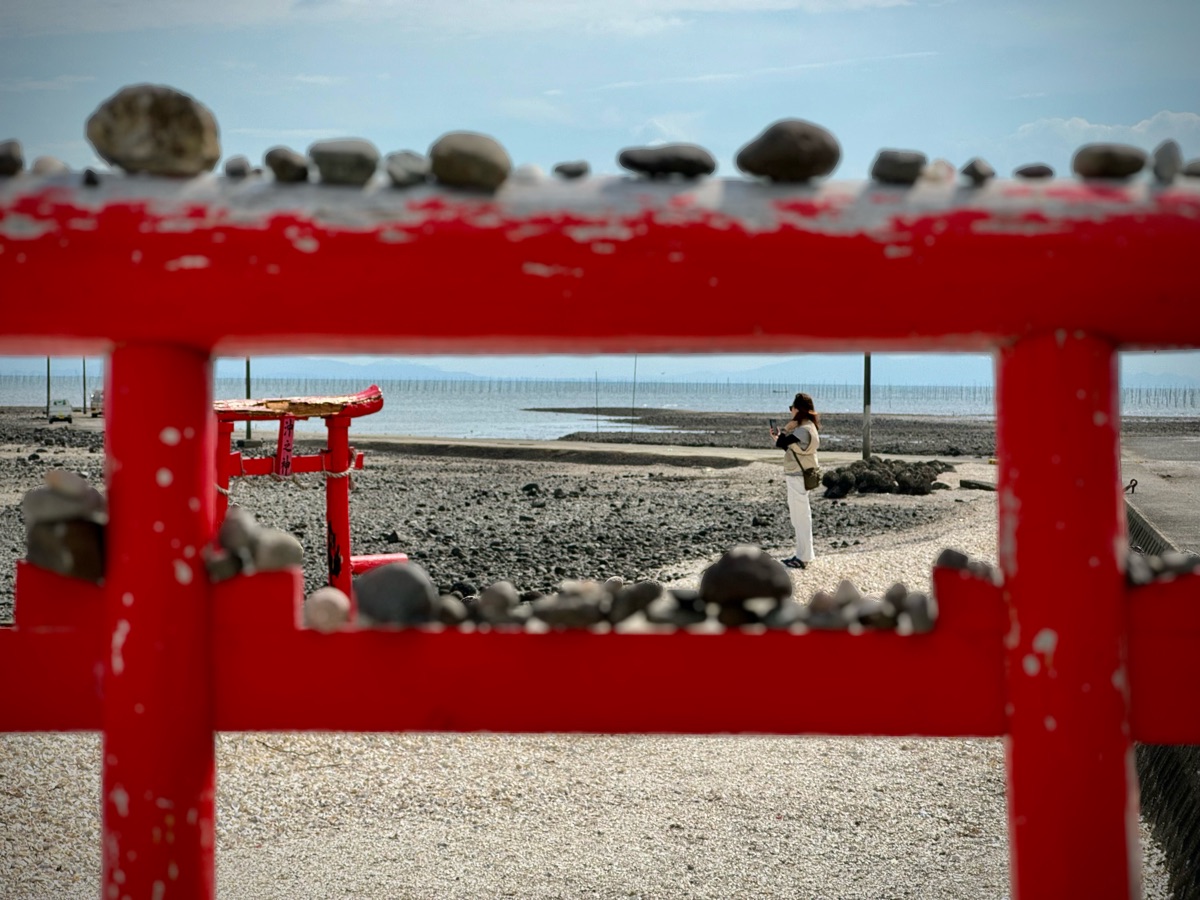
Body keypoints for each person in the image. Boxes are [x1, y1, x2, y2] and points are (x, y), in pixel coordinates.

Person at [769, 392, 821, 569]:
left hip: (797, 476)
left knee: (800, 517)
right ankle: (803, 554)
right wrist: (779, 437)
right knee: (799, 516)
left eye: (792, 408)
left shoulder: (803, 430)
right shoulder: (808, 428)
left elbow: (785, 441)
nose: (790, 411)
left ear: (798, 409)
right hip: (800, 475)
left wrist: (786, 428)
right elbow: (789, 447)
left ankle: (804, 557)